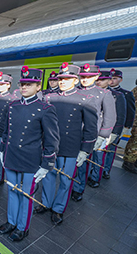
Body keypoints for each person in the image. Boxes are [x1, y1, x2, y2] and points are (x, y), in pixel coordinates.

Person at [0, 66, 59, 242]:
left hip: (30, 159)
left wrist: (47, 164)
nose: (24, 87)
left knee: (26, 194)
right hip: (11, 156)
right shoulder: (12, 105)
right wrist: (2, 150)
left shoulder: (45, 108)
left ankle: (22, 227)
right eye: (22, 84)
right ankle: (11, 221)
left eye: (29, 84)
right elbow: (5, 131)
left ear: (38, 86)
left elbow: (51, 139)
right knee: (12, 191)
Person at [37, 63, 97, 225]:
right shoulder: (48, 97)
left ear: (75, 79)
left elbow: (91, 128)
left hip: (70, 147)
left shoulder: (85, 99)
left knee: (66, 180)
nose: (62, 81)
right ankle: (46, 203)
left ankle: (58, 209)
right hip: (49, 145)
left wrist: (85, 150)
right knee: (48, 176)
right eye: (60, 78)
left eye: (67, 78)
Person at [72, 64, 115, 201]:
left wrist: (102, 136)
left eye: (89, 76)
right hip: (72, 134)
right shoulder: (74, 91)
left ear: (96, 77)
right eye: (83, 76)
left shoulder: (104, 94)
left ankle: (78, 189)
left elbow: (110, 117)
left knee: (83, 164)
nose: (85, 79)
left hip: (89, 135)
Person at [91, 70, 126, 183]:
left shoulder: (117, 95)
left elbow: (120, 116)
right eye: (98, 80)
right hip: (91, 130)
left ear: (109, 81)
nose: (99, 82)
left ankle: (95, 179)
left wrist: (114, 133)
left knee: (99, 157)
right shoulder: (90, 93)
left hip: (105, 131)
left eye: (103, 80)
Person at [110, 69, 137, 173]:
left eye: (115, 78)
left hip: (123, 124)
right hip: (114, 126)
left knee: (111, 150)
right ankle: (129, 161)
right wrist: (128, 125)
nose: (112, 81)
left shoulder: (127, 93)